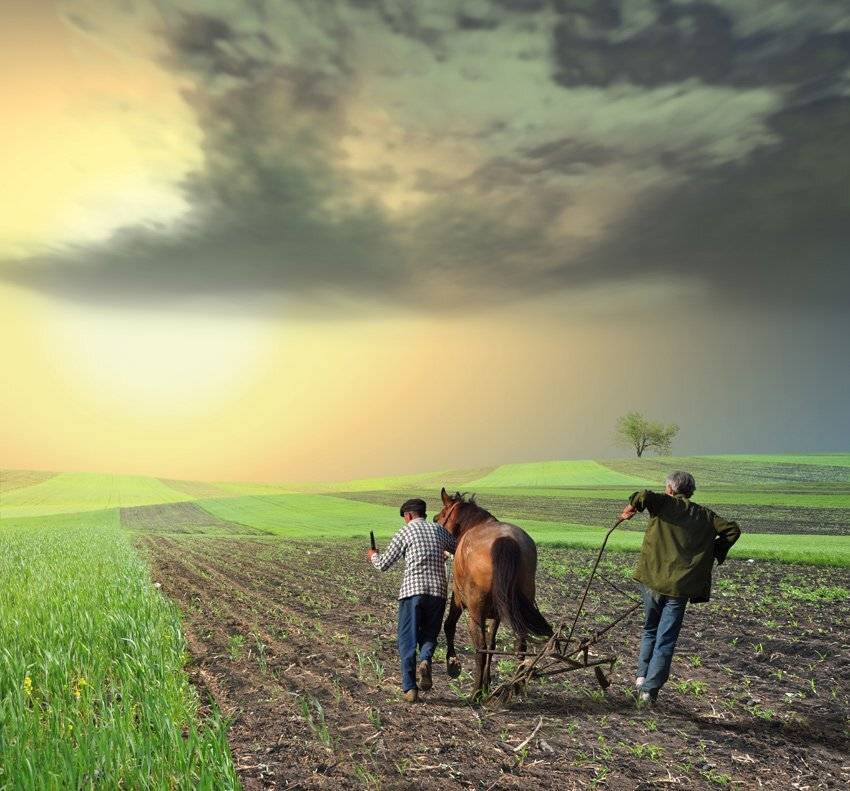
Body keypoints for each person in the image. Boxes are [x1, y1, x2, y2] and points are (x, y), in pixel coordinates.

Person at [620, 471, 740, 705]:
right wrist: (712, 551)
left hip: (652, 580)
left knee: (649, 629)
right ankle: (648, 691)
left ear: (669, 489)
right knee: (666, 638)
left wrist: (630, 509)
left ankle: (641, 677)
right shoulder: (705, 515)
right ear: (691, 491)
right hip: (680, 587)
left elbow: (641, 495)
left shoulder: (664, 503)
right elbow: (733, 530)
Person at [367, 497, 456, 703]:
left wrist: (373, 555)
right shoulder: (439, 530)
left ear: (408, 515)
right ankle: (425, 660)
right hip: (438, 592)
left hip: (412, 592)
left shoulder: (405, 532)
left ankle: (410, 688)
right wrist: (440, 555)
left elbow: (383, 564)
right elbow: (456, 549)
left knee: (407, 639)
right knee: (429, 634)